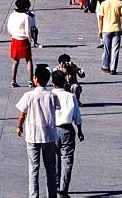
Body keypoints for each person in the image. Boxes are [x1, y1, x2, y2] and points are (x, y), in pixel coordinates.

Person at [16, 64, 60, 198]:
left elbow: (22, 114)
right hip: (49, 135)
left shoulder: (28, 95)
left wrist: (19, 126)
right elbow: (57, 109)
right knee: (50, 169)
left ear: (35, 79)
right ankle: (52, 195)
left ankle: (33, 195)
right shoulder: (52, 96)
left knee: (33, 168)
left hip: (33, 135)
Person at [51, 69, 84, 198]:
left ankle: (55, 185)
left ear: (52, 82)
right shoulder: (71, 96)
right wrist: (80, 131)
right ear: (64, 81)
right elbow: (77, 116)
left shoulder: (49, 95)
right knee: (67, 160)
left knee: (53, 160)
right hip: (67, 129)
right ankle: (63, 189)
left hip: (52, 129)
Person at [98, 0, 122, 75]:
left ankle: (106, 66)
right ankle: (113, 68)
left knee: (107, 49)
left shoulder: (103, 3)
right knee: (115, 49)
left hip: (106, 29)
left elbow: (101, 18)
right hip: (117, 28)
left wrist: (100, 30)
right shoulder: (119, 3)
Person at [9, 0, 35, 87]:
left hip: (15, 39)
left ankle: (13, 80)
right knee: (28, 59)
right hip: (23, 39)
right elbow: (28, 29)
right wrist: (30, 39)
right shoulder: (25, 17)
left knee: (16, 60)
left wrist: (12, 35)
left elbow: (9, 27)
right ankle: (30, 80)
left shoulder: (12, 15)